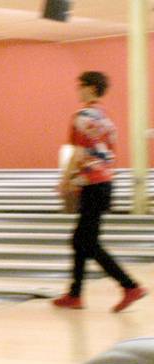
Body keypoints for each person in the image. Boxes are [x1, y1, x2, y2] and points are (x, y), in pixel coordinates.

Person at [53, 71, 147, 312]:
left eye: (81, 86)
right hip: (104, 183)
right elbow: (106, 154)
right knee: (80, 240)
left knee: (88, 242)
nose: (78, 90)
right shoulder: (106, 119)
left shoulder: (81, 117)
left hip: (93, 184)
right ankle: (75, 294)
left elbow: (78, 153)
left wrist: (65, 180)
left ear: (92, 88)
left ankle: (130, 286)